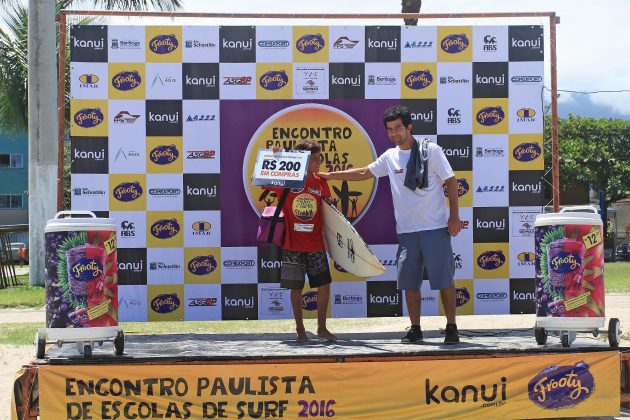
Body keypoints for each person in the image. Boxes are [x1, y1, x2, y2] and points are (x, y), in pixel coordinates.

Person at [318, 105, 462, 344]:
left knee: (444, 280)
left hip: (435, 228)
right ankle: (415, 328)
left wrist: (454, 216)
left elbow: (451, 181)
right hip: (406, 232)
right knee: (410, 282)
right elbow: (365, 172)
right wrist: (332, 176)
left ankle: (451, 327)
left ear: (409, 127)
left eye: (398, 128)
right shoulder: (389, 156)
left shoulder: (432, 151)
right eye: (389, 129)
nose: (394, 133)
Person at [259, 140, 337, 343]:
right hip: (292, 245)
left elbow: (330, 213)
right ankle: (300, 330)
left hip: (316, 245)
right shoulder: (286, 180)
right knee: (296, 288)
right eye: (314, 159)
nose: (319, 162)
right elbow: (256, 177)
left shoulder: (321, 182)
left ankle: (322, 328)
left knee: (324, 285)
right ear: (302, 159)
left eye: (320, 158)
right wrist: (275, 158)